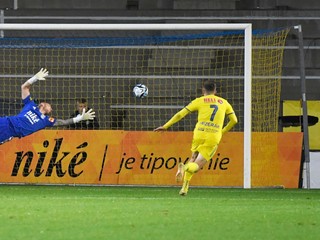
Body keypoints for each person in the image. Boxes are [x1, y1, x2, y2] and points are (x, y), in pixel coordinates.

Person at [154, 80, 238, 196]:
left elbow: (180, 114)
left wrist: (166, 126)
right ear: (215, 90)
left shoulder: (198, 101)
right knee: (196, 166)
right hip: (213, 135)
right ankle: (184, 168)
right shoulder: (224, 103)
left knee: (193, 158)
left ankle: (185, 187)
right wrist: (222, 131)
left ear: (203, 90)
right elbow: (234, 121)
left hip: (199, 133)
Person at [0, 68, 95, 145]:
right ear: (42, 104)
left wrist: (80, 118)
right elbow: (24, 87)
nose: (51, 107)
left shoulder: (46, 120)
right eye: (49, 104)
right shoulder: (30, 105)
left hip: (9, 133)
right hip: (6, 122)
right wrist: (34, 78)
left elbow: (64, 122)